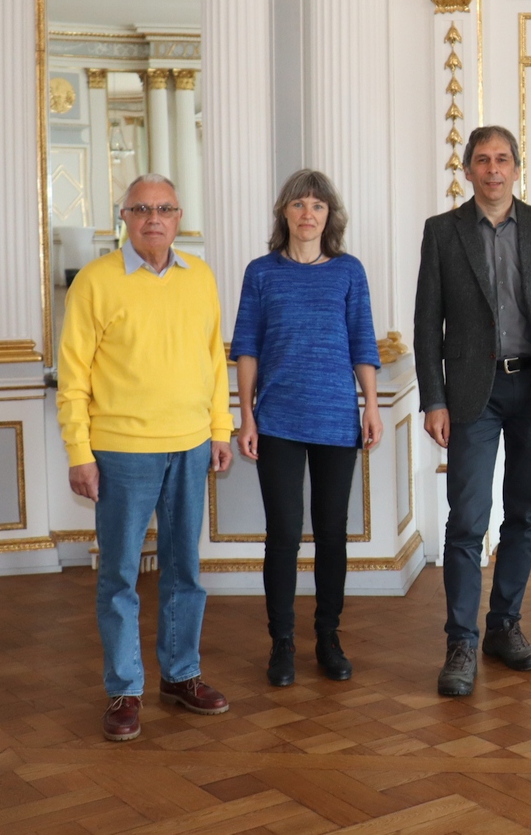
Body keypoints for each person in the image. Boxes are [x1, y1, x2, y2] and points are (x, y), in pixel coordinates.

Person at [59, 173, 234, 742]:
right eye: (141, 209)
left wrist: (220, 430)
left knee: (185, 570)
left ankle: (181, 675)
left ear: (178, 217)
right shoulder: (94, 281)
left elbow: (213, 363)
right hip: (120, 451)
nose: (153, 218)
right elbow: (74, 376)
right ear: (124, 218)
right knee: (119, 576)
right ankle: (124, 689)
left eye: (164, 208)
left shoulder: (200, 277)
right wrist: (78, 452)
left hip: (189, 445)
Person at [414, 126, 531, 698]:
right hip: (471, 395)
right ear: (466, 170)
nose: (493, 169)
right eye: (482, 160)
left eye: (502, 159)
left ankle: (503, 627)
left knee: (523, 514)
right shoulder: (442, 232)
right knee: (466, 520)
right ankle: (460, 640)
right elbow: (425, 324)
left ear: (516, 168)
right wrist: (433, 399)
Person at [231, 169, 382, 688]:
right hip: (277, 420)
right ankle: (282, 644)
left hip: (337, 418)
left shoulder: (348, 272)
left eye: (317, 205)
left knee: (333, 534)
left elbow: (363, 342)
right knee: (283, 535)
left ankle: (328, 637)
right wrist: (246, 414)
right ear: (284, 213)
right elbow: (245, 347)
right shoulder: (261, 273)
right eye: (298, 204)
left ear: (328, 217)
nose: (307, 213)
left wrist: (372, 407)